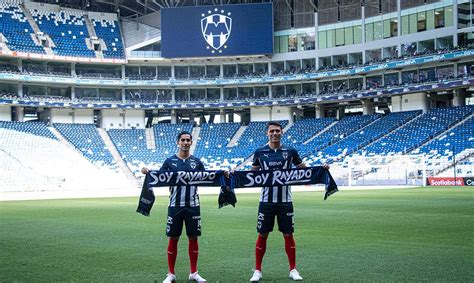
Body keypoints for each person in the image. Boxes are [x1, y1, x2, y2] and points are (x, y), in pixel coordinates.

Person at [249, 121, 329, 282]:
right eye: (272, 131)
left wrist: (320, 169)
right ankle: (257, 270)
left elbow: (304, 170)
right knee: (262, 234)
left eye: (277, 131)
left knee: (288, 234)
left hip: (285, 200)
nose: (275, 133)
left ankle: (293, 269)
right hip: (266, 200)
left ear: (281, 133)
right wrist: (236, 175)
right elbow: (251, 173)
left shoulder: (290, 151)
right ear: (267, 133)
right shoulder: (260, 152)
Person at [141, 131, 207, 283]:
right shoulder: (169, 161)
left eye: (188, 140)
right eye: (183, 140)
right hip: (174, 206)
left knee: (193, 238)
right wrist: (148, 172)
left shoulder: (197, 162)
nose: (185, 143)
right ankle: (171, 274)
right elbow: (159, 177)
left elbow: (209, 177)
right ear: (178, 142)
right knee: (173, 238)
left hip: (193, 205)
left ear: (191, 142)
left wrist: (223, 174)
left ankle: (194, 272)